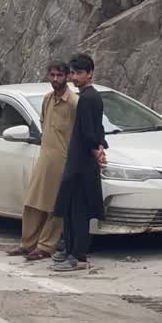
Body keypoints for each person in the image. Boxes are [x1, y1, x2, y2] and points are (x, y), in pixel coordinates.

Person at [7, 60, 77, 262]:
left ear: (67, 77)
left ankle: (45, 246)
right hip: (44, 158)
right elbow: (44, 126)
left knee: (54, 206)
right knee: (33, 202)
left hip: (62, 161)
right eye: (52, 75)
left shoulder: (73, 102)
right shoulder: (47, 99)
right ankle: (27, 244)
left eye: (59, 75)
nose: (55, 79)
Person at [51, 53, 108, 272]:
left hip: (81, 164)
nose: (74, 77)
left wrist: (97, 150)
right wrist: (100, 147)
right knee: (71, 209)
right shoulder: (91, 96)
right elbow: (97, 130)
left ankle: (79, 257)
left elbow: (88, 132)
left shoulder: (88, 98)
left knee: (78, 211)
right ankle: (71, 250)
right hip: (80, 160)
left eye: (79, 73)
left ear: (90, 74)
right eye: (73, 73)